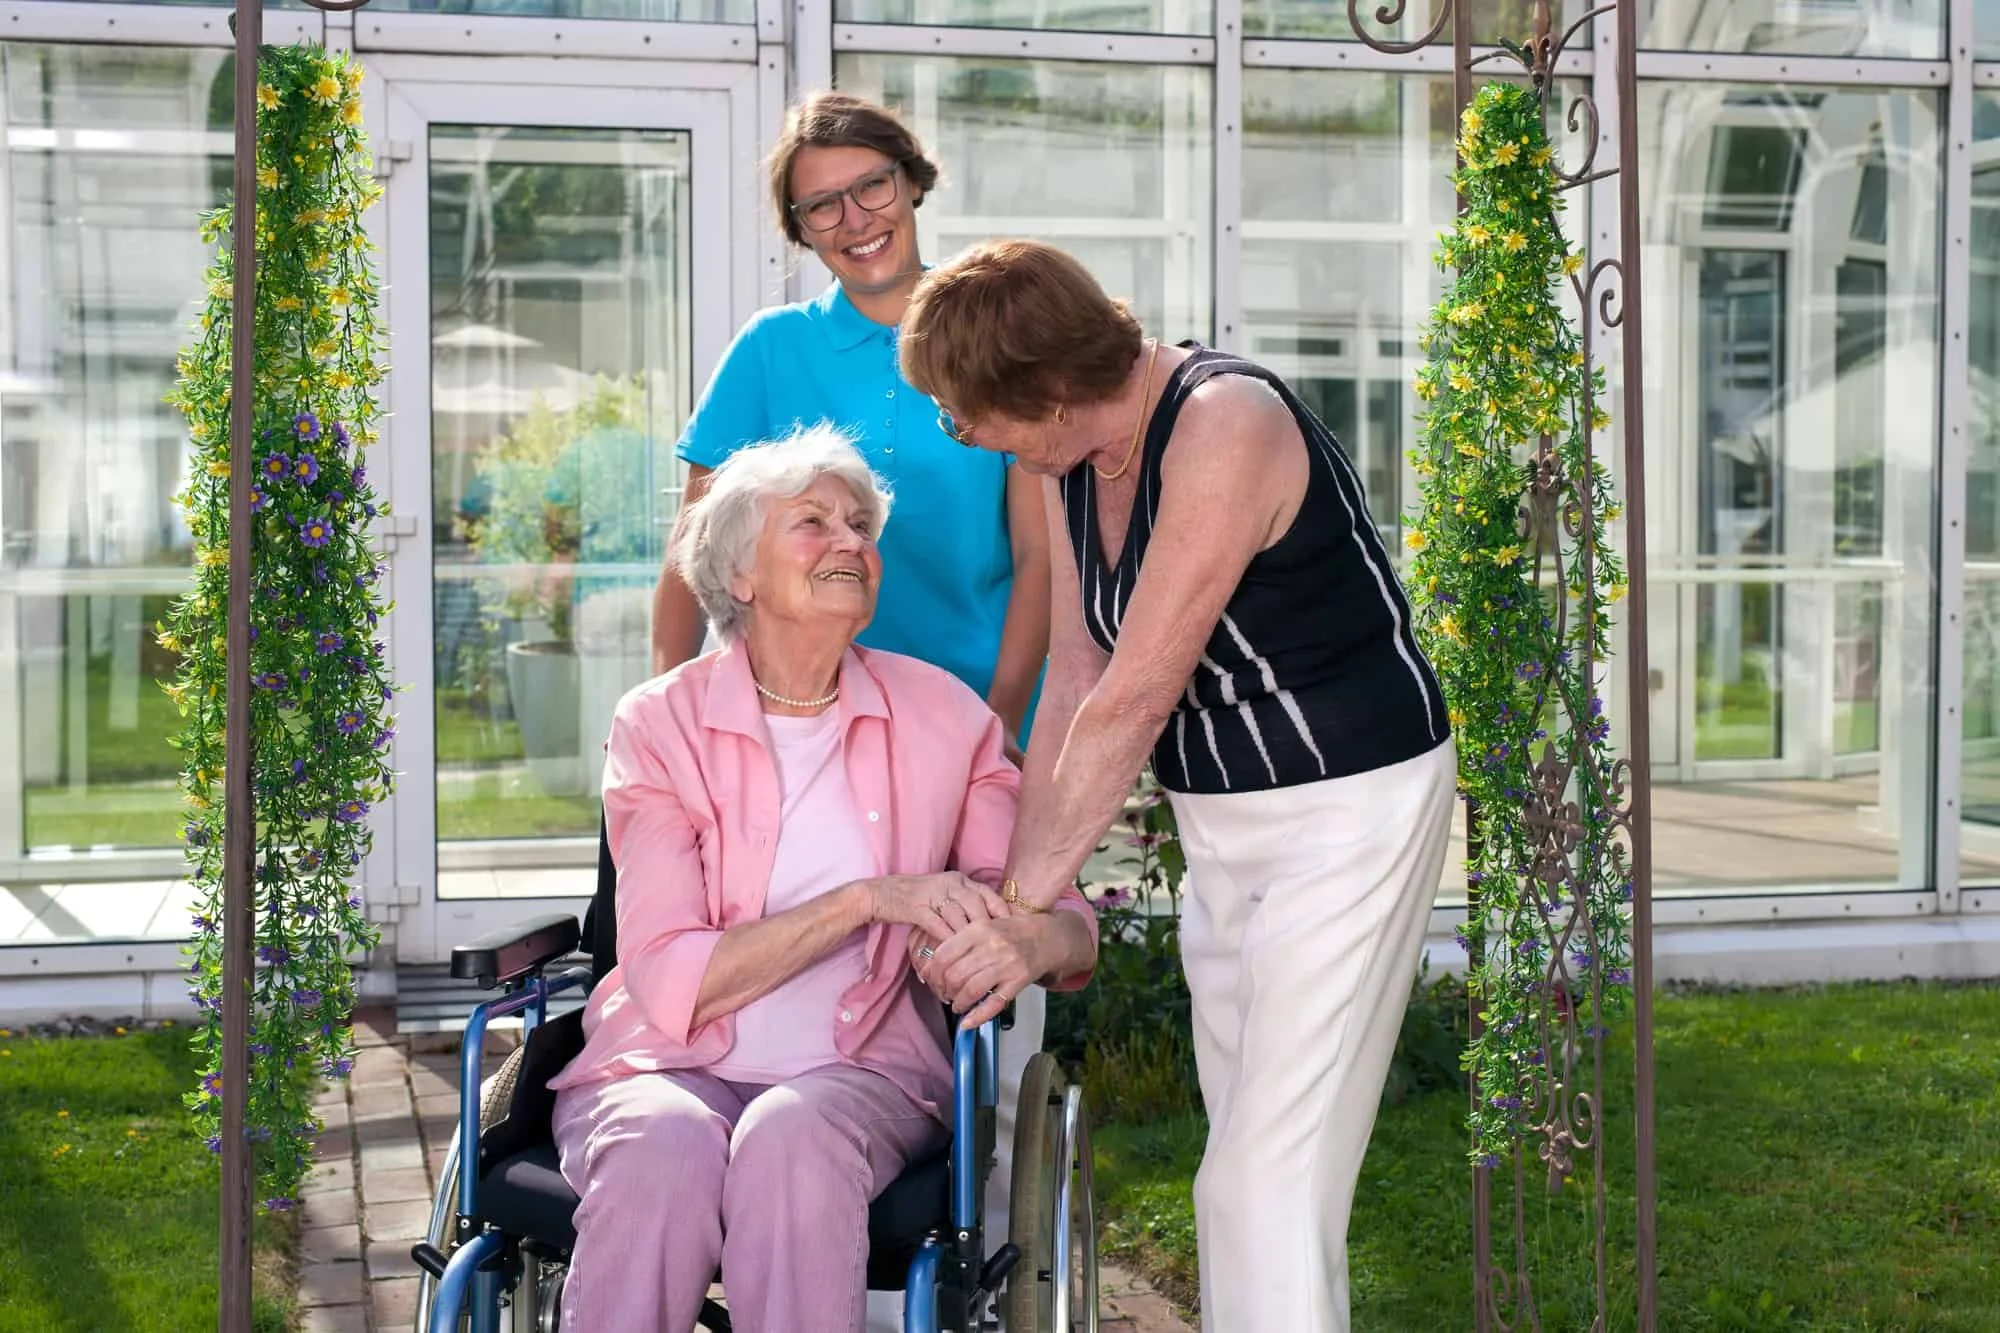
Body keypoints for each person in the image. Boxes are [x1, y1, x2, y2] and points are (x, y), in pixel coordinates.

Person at [897, 238, 1458, 1333]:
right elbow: (1072, 681)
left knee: (1263, 1179)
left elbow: (1135, 696)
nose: (959, 438)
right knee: (1253, 1168)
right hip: (1222, 823)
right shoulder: (1068, 468)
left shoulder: (1223, 423)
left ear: (1049, 395)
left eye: (963, 417)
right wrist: (1026, 896)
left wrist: (1017, 922)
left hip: (1349, 811)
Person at [649, 92, 1054, 1319]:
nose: (851, 217)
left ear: (911, 179)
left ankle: (909, 1250)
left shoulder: (989, 334)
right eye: (818, 203)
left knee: (950, 1018)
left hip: (955, 733)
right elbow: (693, 549)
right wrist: (668, 716)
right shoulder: (773, 351)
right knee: (784, 985)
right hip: (785, 725)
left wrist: (977, 730)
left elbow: (1038, 563)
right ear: (797, 226)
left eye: (869, 185)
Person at [549, 425, 1097, 1333]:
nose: (851, 542)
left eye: (859, 526)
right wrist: (869, 899)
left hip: (860, 1075)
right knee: (660, 1145)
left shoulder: (946, 718)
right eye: (813, 523)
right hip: (663, 1064)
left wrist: (1025, 940)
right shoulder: (658, 724)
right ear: (740, 575)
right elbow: (671, 975)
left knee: (791, 1137)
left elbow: (1049, 911)